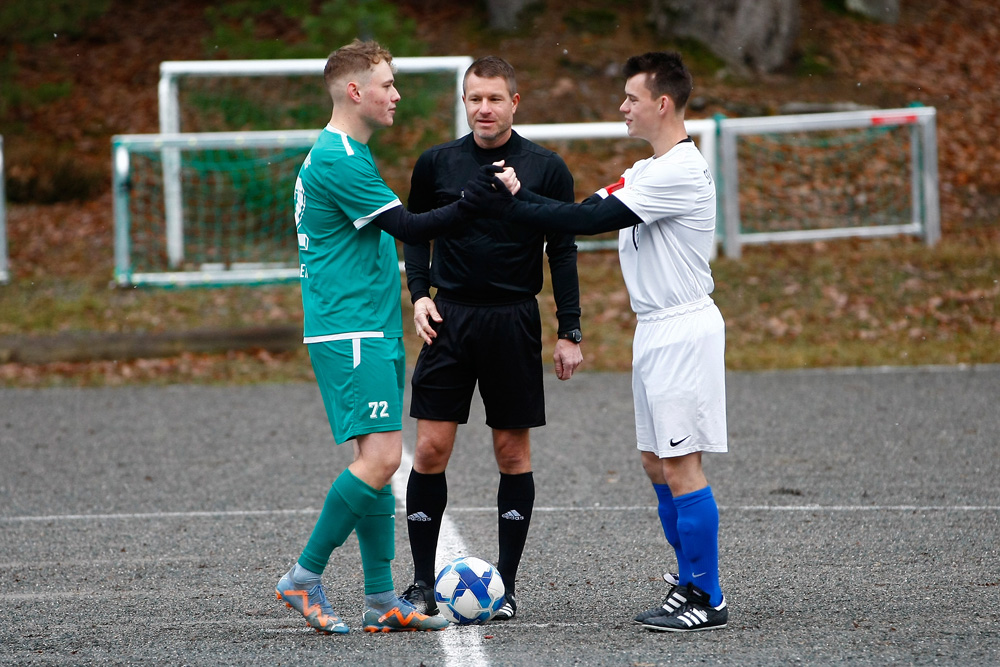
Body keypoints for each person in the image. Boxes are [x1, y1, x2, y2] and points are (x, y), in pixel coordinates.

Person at [464, 51, 729, 632]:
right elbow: (583, 208)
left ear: (661, 103)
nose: (622, 107)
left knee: (681, 464)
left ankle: (707, 596)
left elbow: (584, 224)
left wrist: (515, 199)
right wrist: (522, 196)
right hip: (655, 328)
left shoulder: (678, 171)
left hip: (682, 326)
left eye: (631, 98)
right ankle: (688, 580)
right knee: (655, 463)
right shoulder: (643, 169)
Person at [275, 39, 480, 635]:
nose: (397, 95)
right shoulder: (337, 157)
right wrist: (478, 203)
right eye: (387, 84)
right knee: (385, 458)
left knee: (375, 460)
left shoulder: (352, 153)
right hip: (350, 329)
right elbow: (409, 226)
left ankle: (380, 598)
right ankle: (304, 576)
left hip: (371, 324)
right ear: (355, 91)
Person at [400, 56, 584, 622]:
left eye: (495, 98)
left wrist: (569, 329)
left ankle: (504, 585)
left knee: (511, 451)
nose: (484, 108)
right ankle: (422, 583)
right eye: (475, 98)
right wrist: (420, 294)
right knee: (430, 450)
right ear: (465, 101)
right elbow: (414, 235)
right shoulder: (436, 163)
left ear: (514, 102)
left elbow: (563, 248)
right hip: (449, 320)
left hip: (513, 320)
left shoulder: (547, 168)